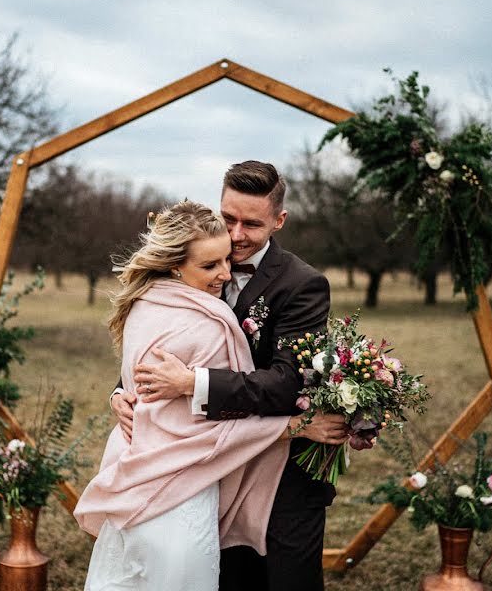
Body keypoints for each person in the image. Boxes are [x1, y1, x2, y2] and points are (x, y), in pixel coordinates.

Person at [74, 201, 339, 591]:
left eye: (225, 262)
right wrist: (297, 426)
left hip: (138, 476)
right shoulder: (210, 325)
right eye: (211, 266)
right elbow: (209, 434)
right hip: (181, 490)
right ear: (175, 265)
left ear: (278, 221)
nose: (225, 274)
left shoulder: (144, 303)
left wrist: (145, 389)